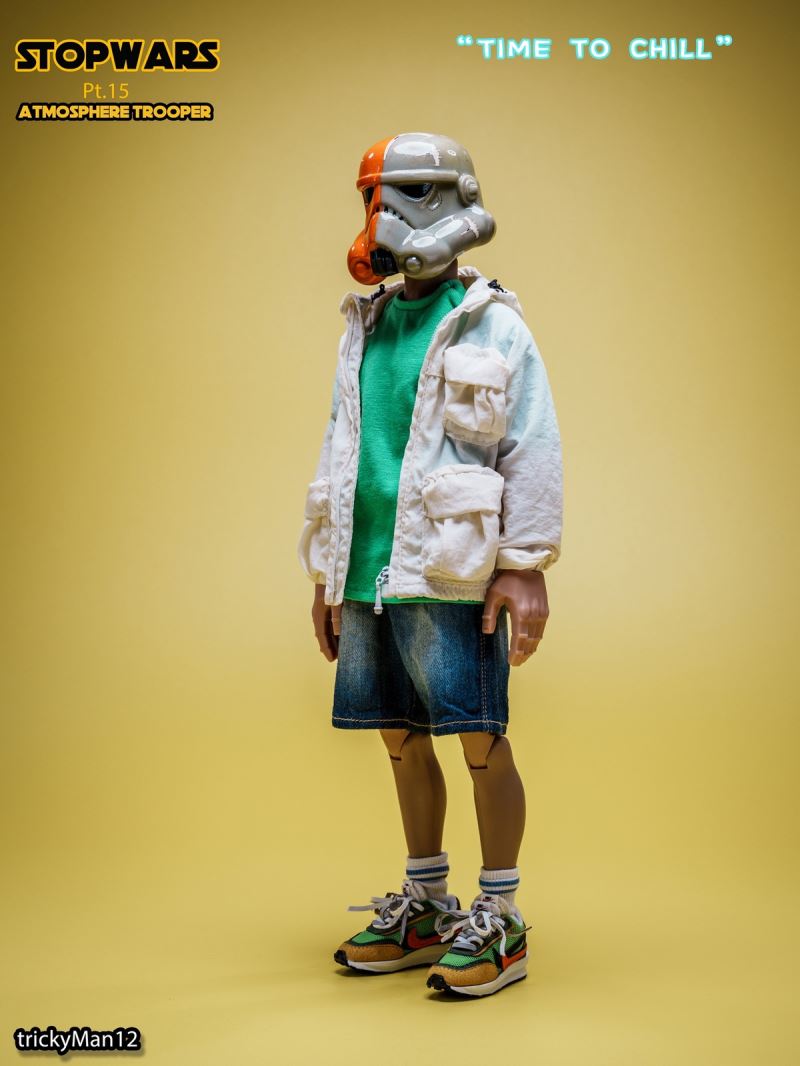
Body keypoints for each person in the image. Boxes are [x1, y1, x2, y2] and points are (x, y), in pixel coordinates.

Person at [298, 132, 563, 997]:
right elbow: (342, 447)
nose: (382, 217)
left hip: (451, 572)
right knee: (399, 737)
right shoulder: (364, 325)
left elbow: (531, 446)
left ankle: (501, 917)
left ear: (450, 200)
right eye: (373, 197)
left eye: (402, 195)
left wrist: (524, 564)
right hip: (369, 574)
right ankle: (426, 903)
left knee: (478, 738)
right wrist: (327, 569)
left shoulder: (494, 324)